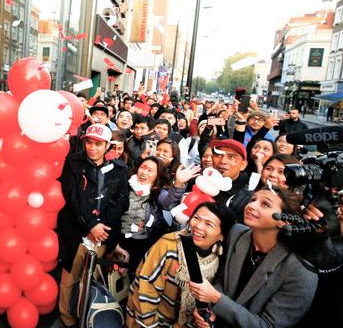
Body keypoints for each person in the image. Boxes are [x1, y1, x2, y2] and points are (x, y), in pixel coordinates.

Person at [189, 187, 318, 328]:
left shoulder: (300, 271)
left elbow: (268, 326)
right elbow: (222, 279)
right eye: (252, 200)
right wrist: (209, 310)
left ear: (284, 221)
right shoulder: (237, 233)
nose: (251, 206)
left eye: (265, 204)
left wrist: (216, 299)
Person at [57, 123, 129, 327]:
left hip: (104, 234)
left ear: (107, 145)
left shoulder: (119, 168)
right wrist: (90, 225)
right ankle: (68, 319)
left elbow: (122, 200)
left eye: (98, 144)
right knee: (69, 278)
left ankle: (88, 317)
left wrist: (101, 226)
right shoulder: (72, 162)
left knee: (92, 279)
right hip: (76, 231)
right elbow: (72, 197)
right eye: (89, 142)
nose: (92, 148)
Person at [125, 202, 235, 327]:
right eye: (196, 218)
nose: (198, 226)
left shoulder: (219, 258)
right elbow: (146, 291)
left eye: (209, 224)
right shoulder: (169, 245)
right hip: (153, 322)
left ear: (221, 236)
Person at [116, 156, 199, 278]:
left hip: (143, 244)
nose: (144, 172)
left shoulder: (158, 192)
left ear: (157, 175)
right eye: (142, 168)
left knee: (138, 276)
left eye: (150, 170)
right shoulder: (125, 186)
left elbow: (168, 202)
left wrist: (178, 183)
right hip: (120, 240)